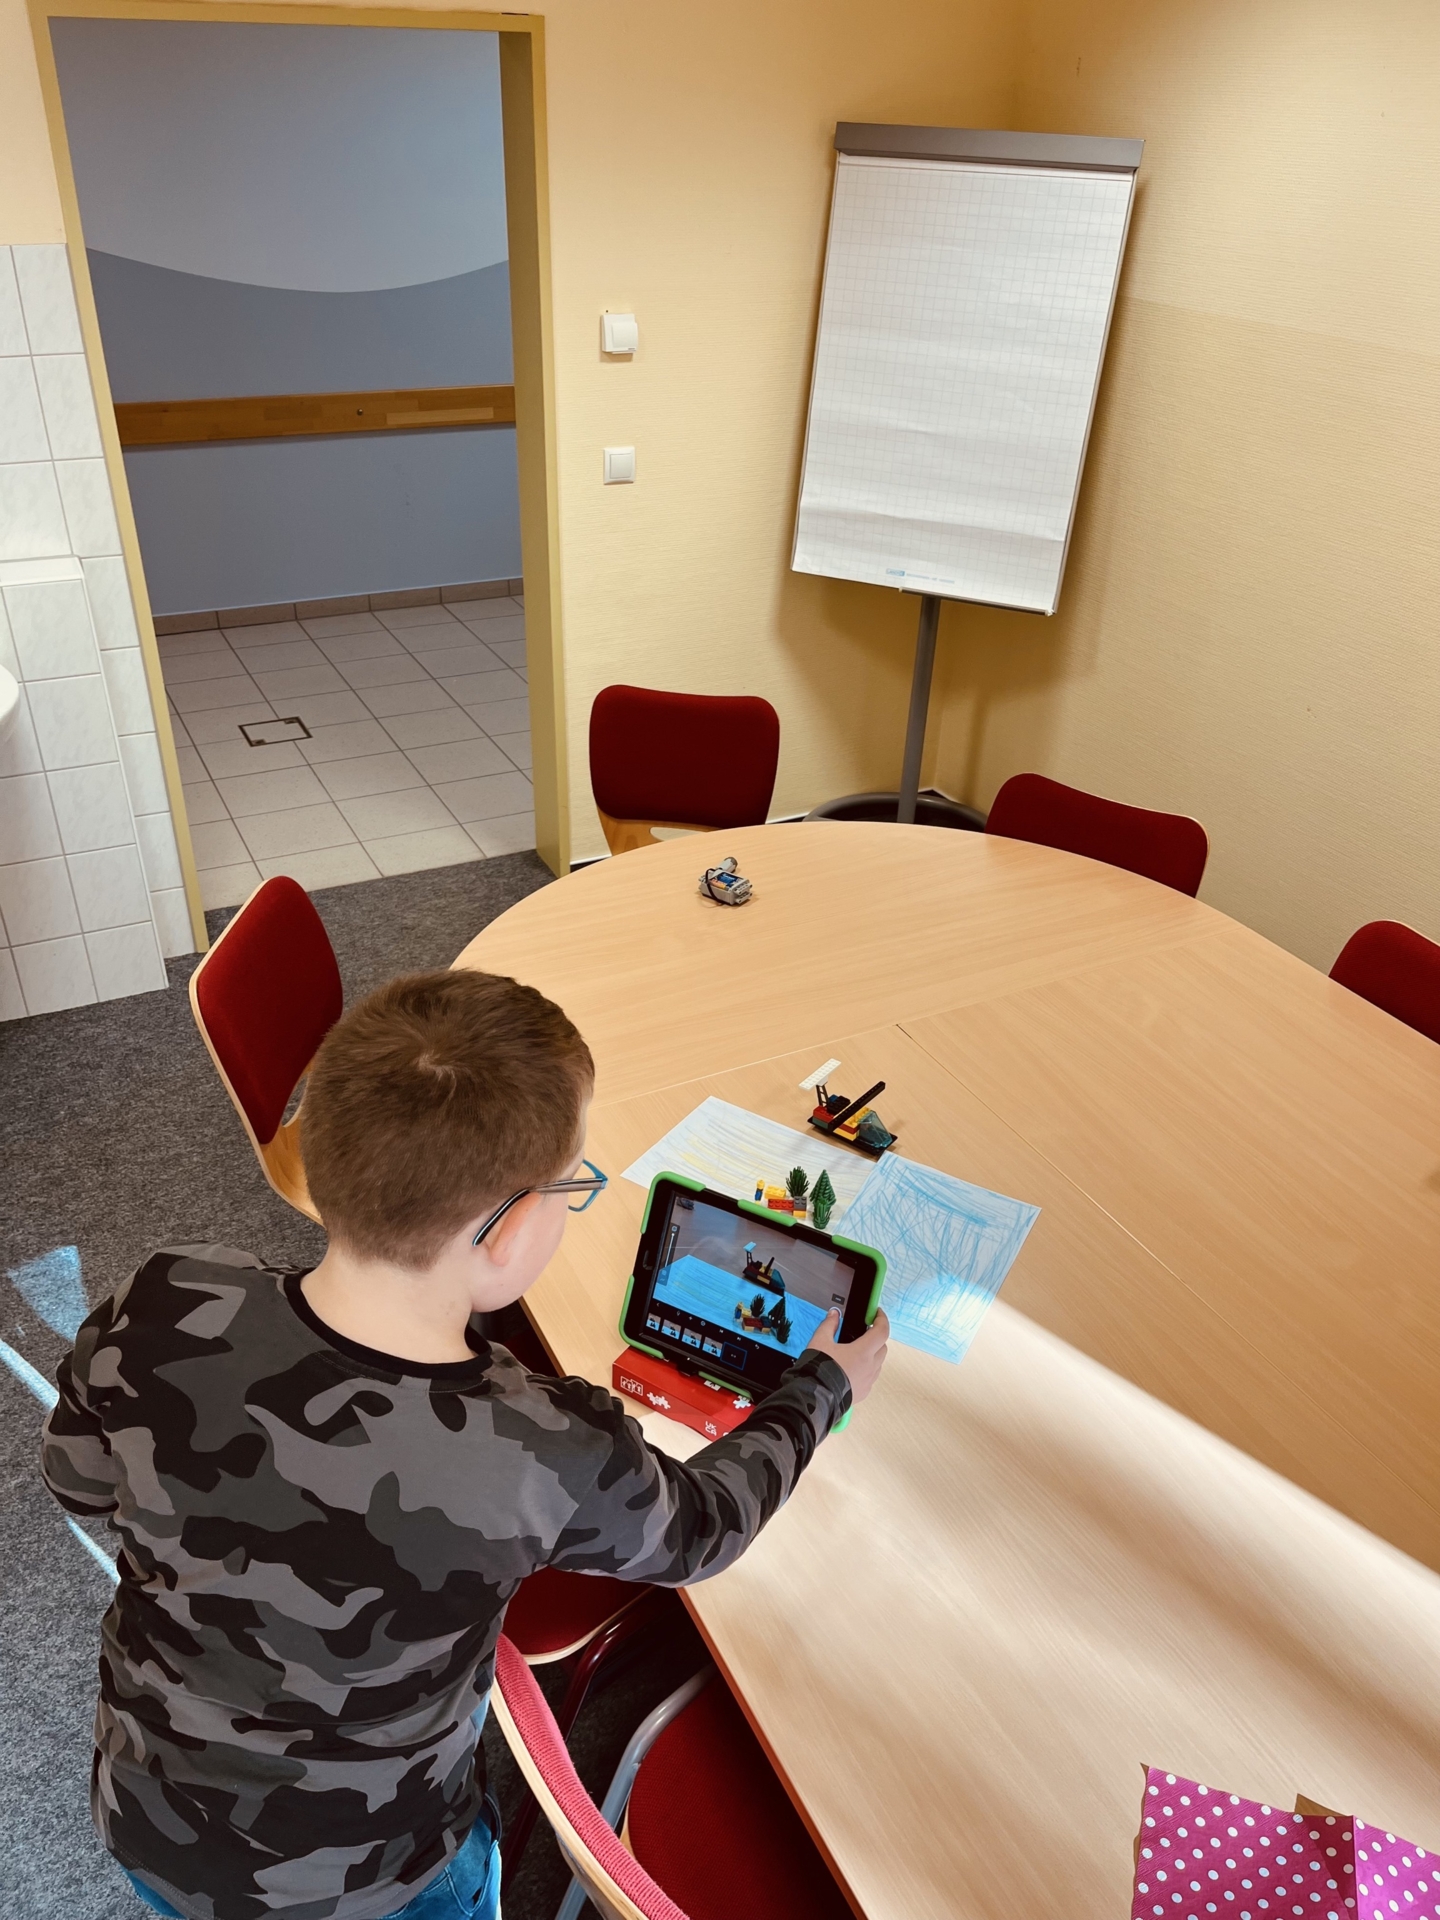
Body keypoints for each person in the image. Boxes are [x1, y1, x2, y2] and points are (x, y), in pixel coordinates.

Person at [40, 968, 889, 1920]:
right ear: (511, 1230)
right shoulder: (544, 1445)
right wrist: (822, 1388)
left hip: (146, 1819)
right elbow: (702, 1529)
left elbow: (77, 1481)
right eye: (569, 1185)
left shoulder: (165, 1296)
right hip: (381, 1884)